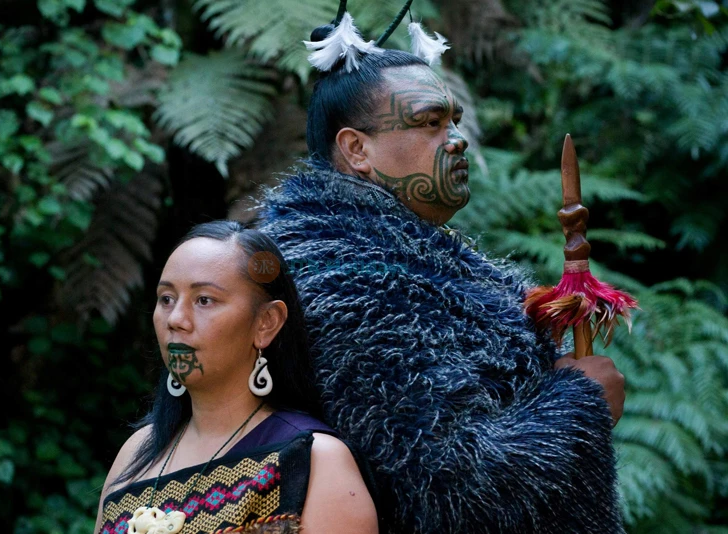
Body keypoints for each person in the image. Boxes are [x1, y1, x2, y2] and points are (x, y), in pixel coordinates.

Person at [256, 11, 627, 534]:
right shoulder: (343, 282)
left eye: (452, 120)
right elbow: (448, 484)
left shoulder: (402, 253)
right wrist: (581, 403)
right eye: (430, 123)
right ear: (356, 150)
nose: (457, 139)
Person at [94, 221, 377, 534]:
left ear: (266, 323)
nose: (176, 319)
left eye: (204, 300)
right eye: (166, 299)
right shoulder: (136, 453)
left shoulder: (315, 460)